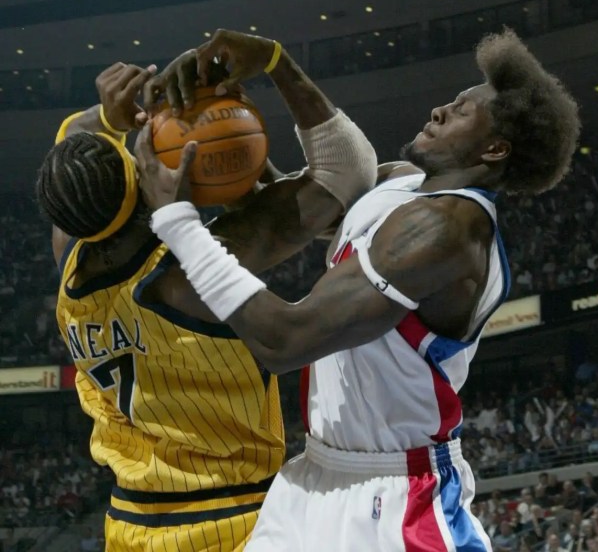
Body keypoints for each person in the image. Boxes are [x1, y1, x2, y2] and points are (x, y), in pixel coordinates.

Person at [143, 27, 581, 551]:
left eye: (462, 111)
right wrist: (255, 89)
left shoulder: (446, 231)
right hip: (313, 474)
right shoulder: (402, 182)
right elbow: (311, 197)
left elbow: (285, 341)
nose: (440, 110)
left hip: (397, 498)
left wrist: (177, 221)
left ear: (494, 148)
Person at [35, 33, 377, 551]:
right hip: (234, 522)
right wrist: (276, 62)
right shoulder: (192, 271)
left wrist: (109, 118)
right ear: (141, 182)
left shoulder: (69, 257)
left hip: (128, 525)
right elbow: (347, 171)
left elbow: (73, 150)